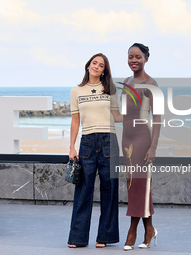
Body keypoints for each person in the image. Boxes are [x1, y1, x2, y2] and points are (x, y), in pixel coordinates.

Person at [67, 53, 122, 248]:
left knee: (110, 189)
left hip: (109, 140)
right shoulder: (76, 91)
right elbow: (76, 120)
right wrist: (72, 146)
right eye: (94, 63)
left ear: (104, 70)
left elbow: (117, 116)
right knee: (83, 190)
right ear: (88, 65)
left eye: (101, 65)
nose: (97, 67)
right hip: (87, 142)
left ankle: (105, 237)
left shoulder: (110, 89)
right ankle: (77, 238)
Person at [121, 43, 161, 251]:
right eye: (130, 56)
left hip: (142, 138)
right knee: (135, 185)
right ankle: (150, 229)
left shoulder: (151, 83)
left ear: (146, 58)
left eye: (137, 56)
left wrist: (153, 147)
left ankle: (132, 231)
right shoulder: (126, 82)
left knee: (138, 184)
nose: (133, 60)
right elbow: (123, 113)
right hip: (126, 140)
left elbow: (157, 117)